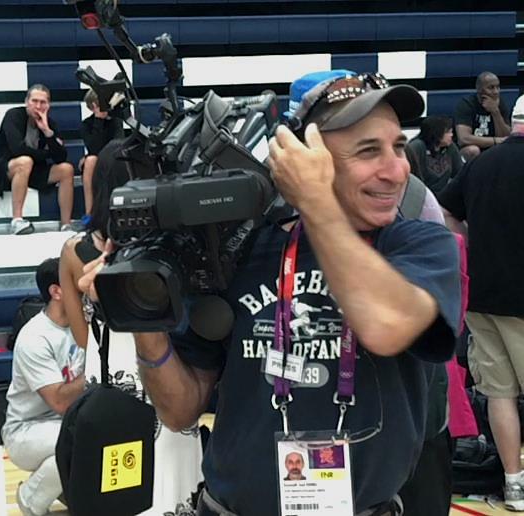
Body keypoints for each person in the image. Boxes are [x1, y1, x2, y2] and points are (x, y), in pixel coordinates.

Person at [78, 70, 461, 516]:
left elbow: (386, 325)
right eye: (369, 151)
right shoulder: (248, 248)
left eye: (398, 145)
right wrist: (145, 318)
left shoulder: (417, 245)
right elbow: (179, 410)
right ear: (305, 157)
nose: (398, 170)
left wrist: (314, 201)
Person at [59, 139, 204, 513]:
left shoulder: (75, 251)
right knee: (171, 485)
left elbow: (80, 336)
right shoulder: (180, 250)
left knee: (114, 495)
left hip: (108, 381)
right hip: (164, 376)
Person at [438, 94, 524, 512]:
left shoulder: (479, 165)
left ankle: (512, 484)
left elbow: (447, 212)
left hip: (482, 297)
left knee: (499, 394)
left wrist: (469, 246)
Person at [1, 258, 85, 516]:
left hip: (67, 421)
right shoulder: (35, 337)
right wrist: (95, 376)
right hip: (26, 430)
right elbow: (59, 402)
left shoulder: (84, 324)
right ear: (56, 291)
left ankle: (65, 488)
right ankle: (31, 498)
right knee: (84, 438)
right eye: (76, 282)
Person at [0, 84, 75, 235]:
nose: (38, 106)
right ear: (26, 102)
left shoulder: (50, 124)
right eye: (34, 101)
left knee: (66, 169)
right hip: (5, 168)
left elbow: (60, 157)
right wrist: (45, 153)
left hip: (32, 170)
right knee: (25, 161)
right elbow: (17, 149)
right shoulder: (13, 115)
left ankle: (66, 224)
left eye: (43, 102)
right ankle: (17, 220)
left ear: (48, 105)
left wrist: (47, 132)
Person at [80, 88, 124, 220]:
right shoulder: (86, 125)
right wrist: (99, 120)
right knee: (90, 160)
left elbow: (117, 144)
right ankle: (89, 213)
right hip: (96, 160)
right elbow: (93, 148)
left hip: (113, 158)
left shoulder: (116, 121)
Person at [454, 71, 510, 161]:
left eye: (498, 87)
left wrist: (496, 112)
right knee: (473, 150)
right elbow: (464, 139)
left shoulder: (500, 105)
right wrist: (495, 141)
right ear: (479, 89)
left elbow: (505, 137)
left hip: (493, 149)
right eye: (491, 88)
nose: (496, 92)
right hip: (469, 150)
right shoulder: (467, 104)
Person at [407, 116, 463, 194]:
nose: (451, 135)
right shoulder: (417, 147)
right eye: (448, 132)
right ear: (437, 133)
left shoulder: (450, 147)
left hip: (443, 193)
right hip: (422, 194)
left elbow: (460, 173)